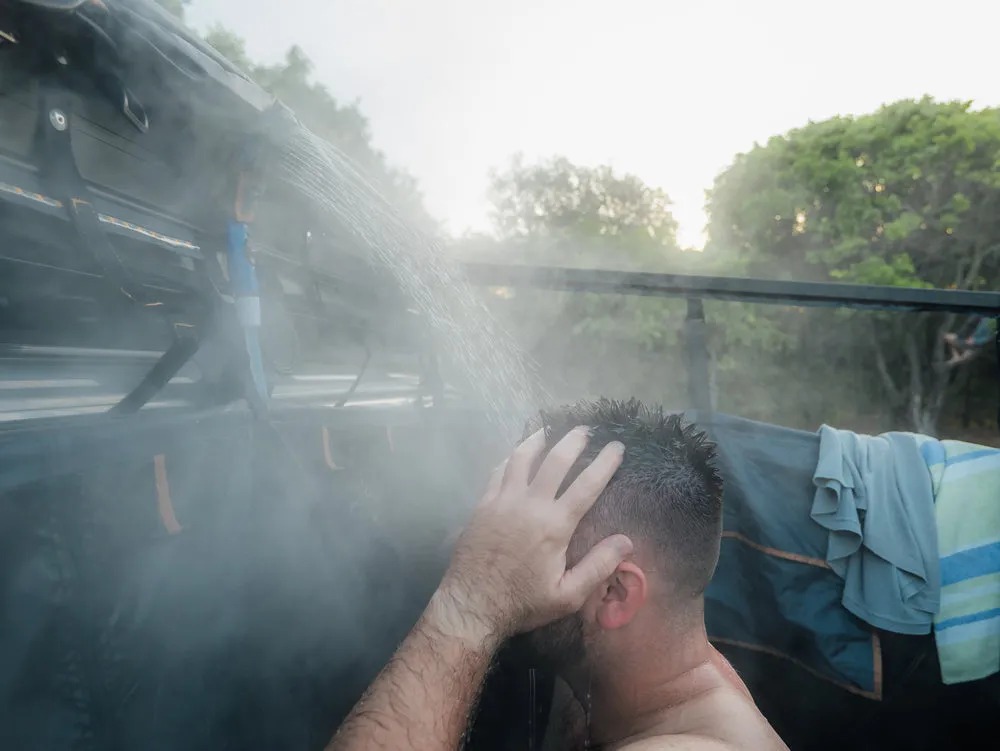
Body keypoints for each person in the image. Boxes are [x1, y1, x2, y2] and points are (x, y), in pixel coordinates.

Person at [326, 398, 786, 751]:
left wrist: (468, 607)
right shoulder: (628, 679)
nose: (501, 560)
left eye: (537, 548)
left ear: (615, 593)